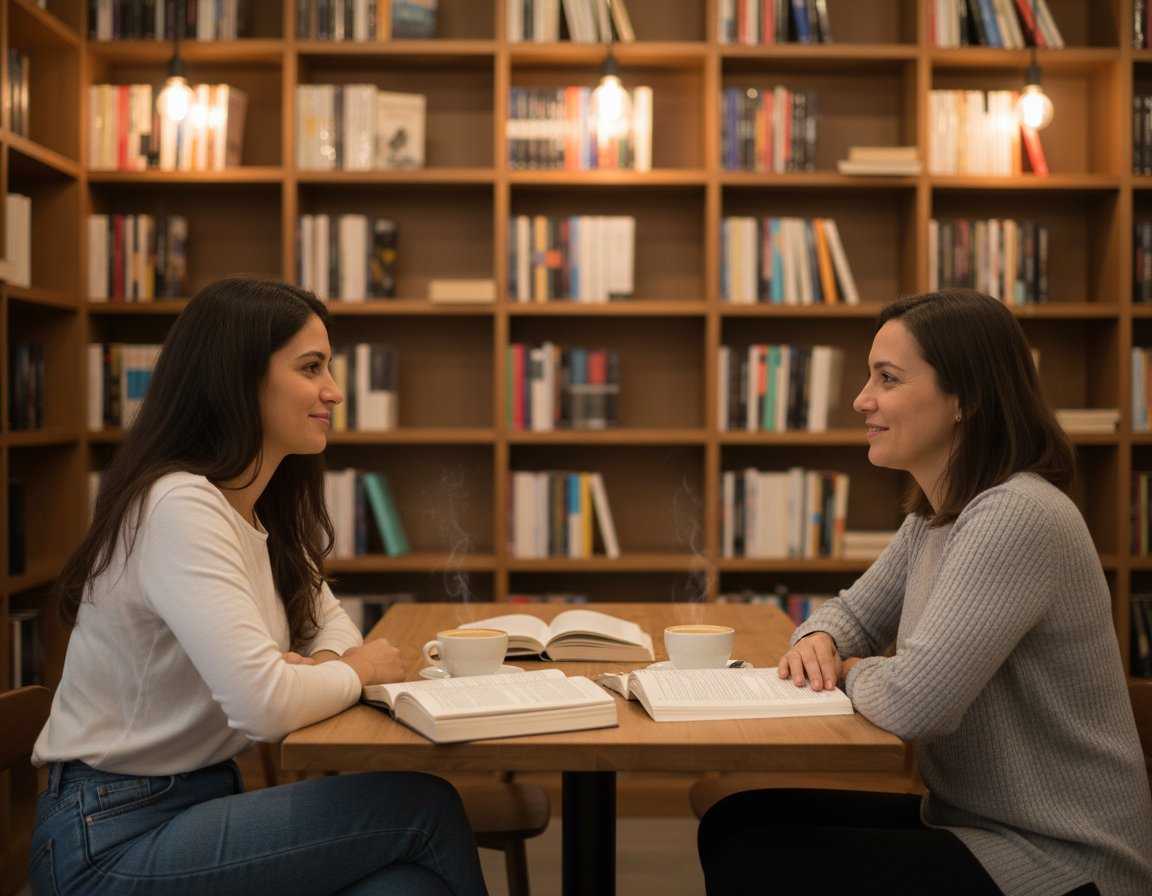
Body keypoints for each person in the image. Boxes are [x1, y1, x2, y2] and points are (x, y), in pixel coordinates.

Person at [29, 277, 489, 896]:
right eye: (311, 367)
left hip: (192, 802)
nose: (335, 391)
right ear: (238, 377)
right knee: (423, 806)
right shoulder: (179, 507)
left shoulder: (255, 506)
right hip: (110, 836)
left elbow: (329, 622)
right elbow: (264, 707)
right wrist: (356, 670)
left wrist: (328, 661)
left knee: (407, 886)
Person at [697, 289, 1152, 896]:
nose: (862, 399)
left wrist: (849, 669)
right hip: (972, 823)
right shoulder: (940, 516)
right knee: (735, 822)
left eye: (887, 378)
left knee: (757, 858)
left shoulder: (1016, 514)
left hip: (1062, 858)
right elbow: (850, 613)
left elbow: (916, 703)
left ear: (968, 397)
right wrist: (821, 637)